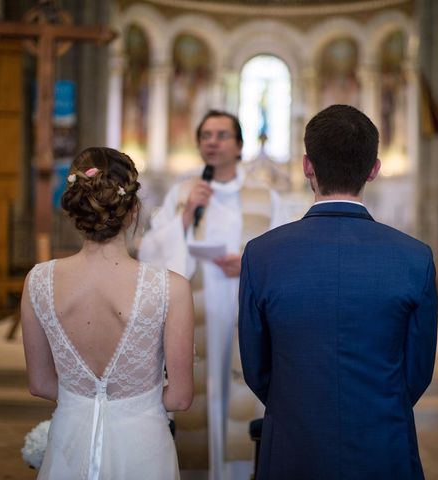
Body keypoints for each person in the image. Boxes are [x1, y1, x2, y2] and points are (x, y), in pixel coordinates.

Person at [238, 104, 438, 479]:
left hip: (294, 445)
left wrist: (297, 402)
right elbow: (417, 370)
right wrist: (378, 406)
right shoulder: (414, 258)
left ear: (307, 166)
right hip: (384, 443)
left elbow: (256, 367)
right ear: (374, 169)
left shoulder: (262, 254)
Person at [21, 147, 194, 479]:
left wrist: (83, 400)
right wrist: (131, 401)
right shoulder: (171, 287)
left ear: (77, 209)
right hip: (143, 445)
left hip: (69, 441)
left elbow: (40, 384)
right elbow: (181, 397)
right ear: (132, 209)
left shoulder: (38, 281)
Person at [139, 110, 287, 480]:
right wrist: (186, 216)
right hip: (196, 310)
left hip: (242, 308)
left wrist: (250, 264)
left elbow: (285, 252)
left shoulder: (266, 196)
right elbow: (150, 251)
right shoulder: (183, 192)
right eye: (206, 135)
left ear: (238, 145)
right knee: (200, 389)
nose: (212, 141)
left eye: (222, 135)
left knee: (238, 386)